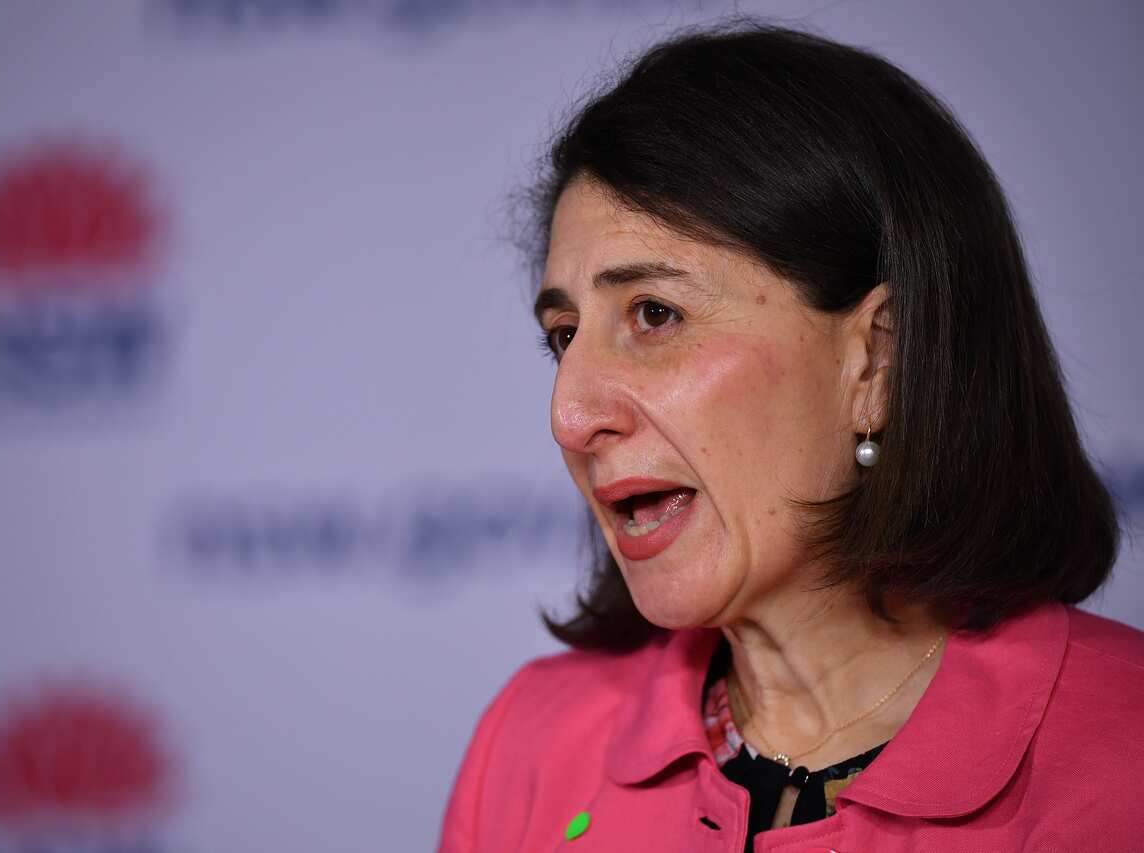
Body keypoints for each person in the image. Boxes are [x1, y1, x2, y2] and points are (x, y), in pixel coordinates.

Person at [439, 20, 1143, 853]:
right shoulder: (533, 742)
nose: (570, 414)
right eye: (564, 334)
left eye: (655, 314)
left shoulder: (1122, 760)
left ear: (877, 361)